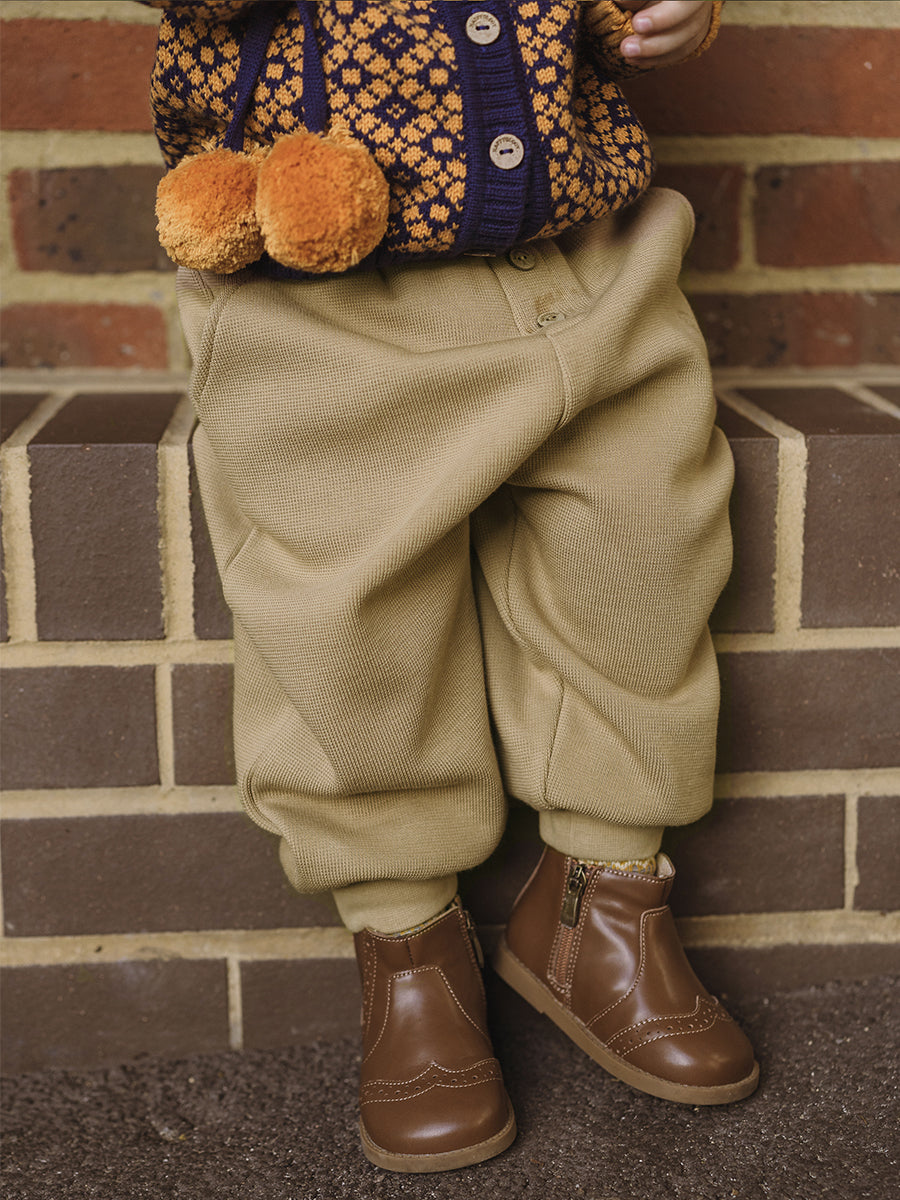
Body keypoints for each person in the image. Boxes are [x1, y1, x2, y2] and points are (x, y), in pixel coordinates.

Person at [144, 0, 758, 1173]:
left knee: (649, 542)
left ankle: (601, 904)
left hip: (583, 262)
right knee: (345, 612)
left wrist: (652, 14)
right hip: (325, 303)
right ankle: (406, 940)